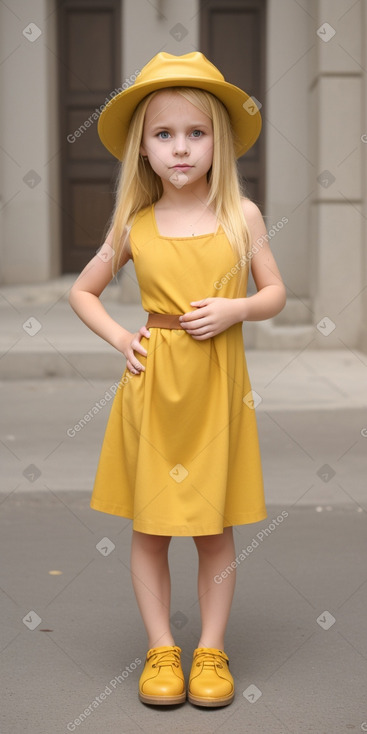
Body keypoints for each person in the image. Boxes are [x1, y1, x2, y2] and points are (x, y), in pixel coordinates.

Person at [69, 51, 286, 708]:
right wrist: (118, 337)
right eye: (163, 135)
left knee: (214, 529)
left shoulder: (239, 217)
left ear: (218, 141)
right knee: (151, 528)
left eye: (195, 133)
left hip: (216, 392)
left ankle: (211, 650)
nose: (180, 148)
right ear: (141, 149)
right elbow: (85, 290)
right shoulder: (131, 225)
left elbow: (275, 291)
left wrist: (238, 308)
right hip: (153, 391)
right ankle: (162, 647)